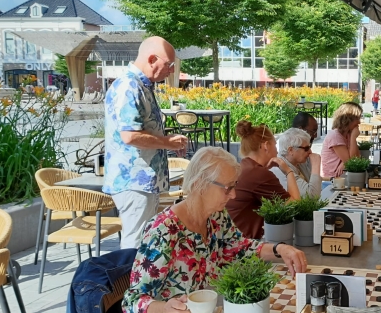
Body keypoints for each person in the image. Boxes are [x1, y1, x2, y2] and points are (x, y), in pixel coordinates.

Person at [122, 147, 307, 313]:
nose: (233, 195)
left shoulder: (216, 216)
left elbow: (239, 248)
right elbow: (132, 301)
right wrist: (164, 308)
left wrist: (280, 249)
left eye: (234, 186)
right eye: (228, 188)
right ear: (199, 185)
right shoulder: (163, 231)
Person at [103, 36, 189, 249]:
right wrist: (166, 143)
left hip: (142, 181)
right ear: (152, 59)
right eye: (168, 65)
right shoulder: (130, 86)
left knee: (143, 241)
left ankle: (137, 281)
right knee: (135, 244)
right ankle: (129, 283)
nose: (170, 70)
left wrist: (166, 142)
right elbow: (130, 136)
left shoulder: (142, 85)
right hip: (134, 181)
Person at [226, 121, 301, 239]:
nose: (277, 151)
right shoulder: (258, 174)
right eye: (275, 145)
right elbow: (294, 204)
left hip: (232, 236)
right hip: (242, 243)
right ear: (266, 145)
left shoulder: (245, 167)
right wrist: (289, 171)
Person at [272, 128, 322, 197]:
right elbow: (312, 197)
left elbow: (315, 186)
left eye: (309, 147)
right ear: (290, 150)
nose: (310, 152)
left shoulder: (299, 161)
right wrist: (316, 166)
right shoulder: (281, 168)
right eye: (306, 148)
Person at [320, 102, 362, 178]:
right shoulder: (335, 135)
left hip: (343, 177)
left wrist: (344, 162)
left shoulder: (348, 134)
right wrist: (353, 138)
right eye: (357, 118)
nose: (359, 122)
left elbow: (356, 158)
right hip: (331, 180)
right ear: (348, 120)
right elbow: (351, 163)